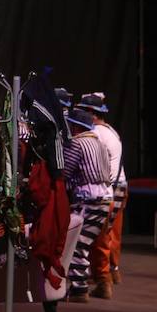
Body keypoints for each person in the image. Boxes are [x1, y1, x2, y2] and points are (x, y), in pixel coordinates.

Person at [62, 107, 114, 302]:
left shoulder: (77, 143)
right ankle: (80, 286)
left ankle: (79, 289)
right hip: (104, 198)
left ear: (76, 127)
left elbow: (65, 172)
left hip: (88, 199)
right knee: (84, 244)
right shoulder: (100, 144)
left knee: (76, 244)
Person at [77, 92, 126, 297]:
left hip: (108, 187)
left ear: (91, 112)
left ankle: (102, 278)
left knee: (99, 235)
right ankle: (111, 272)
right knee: (109, 234)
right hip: (118, 185)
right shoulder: (111, 131)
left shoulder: (96, 134)